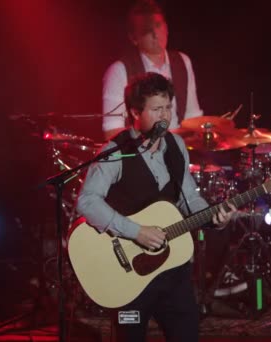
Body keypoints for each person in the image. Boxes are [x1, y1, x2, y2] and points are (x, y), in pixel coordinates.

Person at [76, 72, 236, 341]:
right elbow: (87, 201)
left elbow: (189, 198)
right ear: (134, 112)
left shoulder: (176, 145)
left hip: (172, 268)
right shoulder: (115, 151)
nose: (164, 116)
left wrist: (213, 217)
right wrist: (134, 231)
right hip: (129, 274)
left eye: (168, 108)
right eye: (156, 109)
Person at [102, 0, 203, 140]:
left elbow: (192, 117)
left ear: (167, 28)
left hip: (178, 150)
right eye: (146, 30)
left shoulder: (183, 62)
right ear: (133, 38)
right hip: (140, 155)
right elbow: (112, 132)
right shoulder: (118, 71)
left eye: (157, 25)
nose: (155, 34)